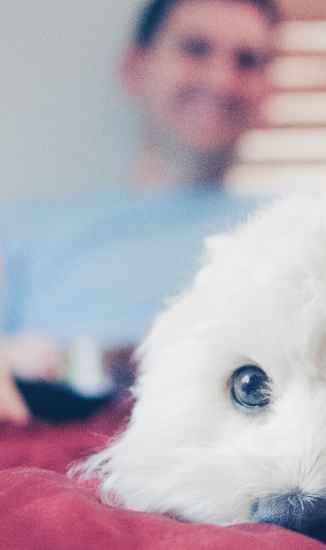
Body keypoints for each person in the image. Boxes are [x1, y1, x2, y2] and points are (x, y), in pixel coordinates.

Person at [0, 0, 282, 425]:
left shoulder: (288, 227)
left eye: (247, 61)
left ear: (266, 92)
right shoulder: (22, 229)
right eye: (195, 49)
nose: (221, 80)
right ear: (135, 67)